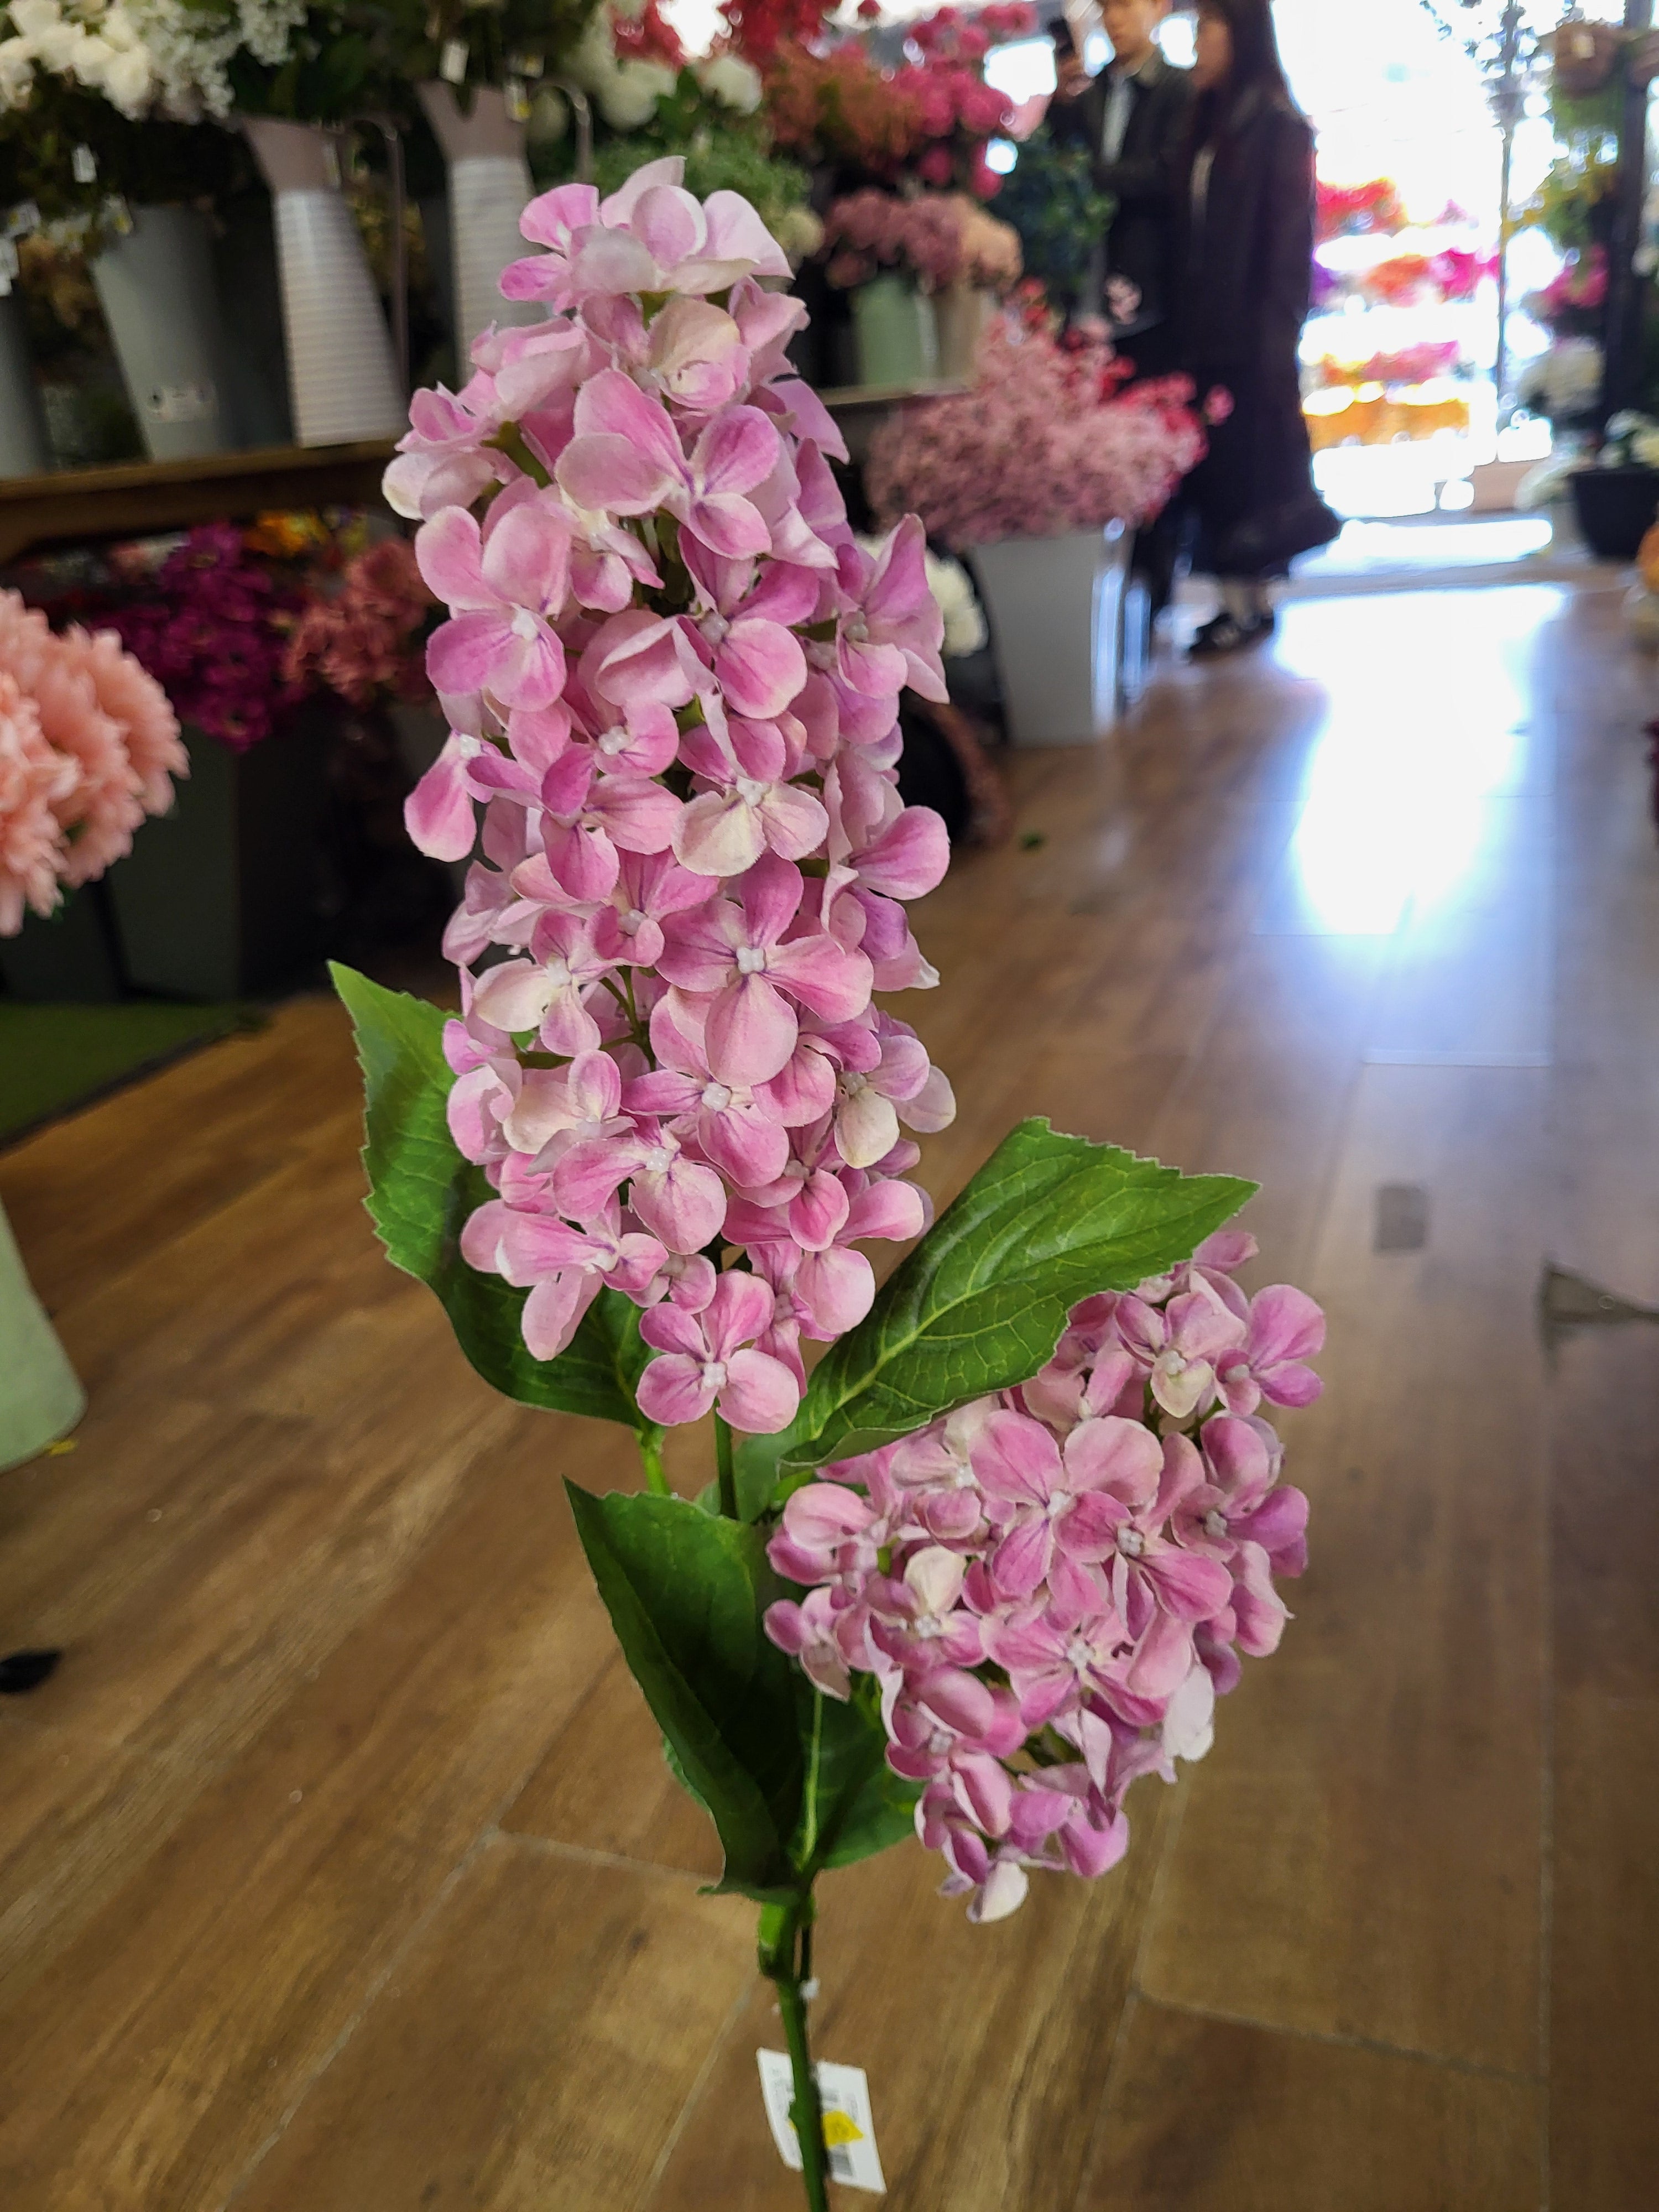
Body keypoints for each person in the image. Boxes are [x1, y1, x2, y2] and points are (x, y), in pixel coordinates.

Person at [1173, 0, 1338, 655]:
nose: (1197, 45)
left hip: (1251, 335)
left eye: (1205, 30)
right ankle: (1237, 602)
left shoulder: (1276, 126)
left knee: (1250, 471)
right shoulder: (1205, 122)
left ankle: (1249, 603)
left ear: (1238, 35)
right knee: (1220, 472)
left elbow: (1288, 246)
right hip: (1203, 333)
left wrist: (1276, 336)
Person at [1050, 0, 1194, 377]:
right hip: (1091, 284)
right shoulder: (1090, 92)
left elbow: (1166, 175)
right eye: (1106, 8)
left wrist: (1091, 177)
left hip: (1154, 285)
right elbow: (1054, 171)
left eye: (1126, 5)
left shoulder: (1179, 88)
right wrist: (1059, 104)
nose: (1114, 19)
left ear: (1159, 7)